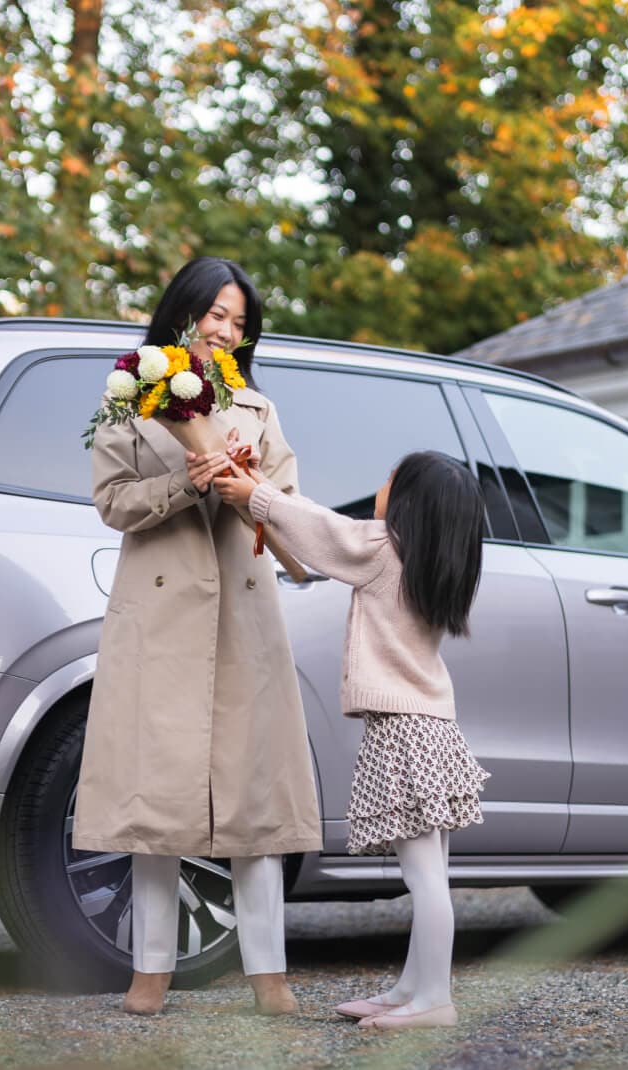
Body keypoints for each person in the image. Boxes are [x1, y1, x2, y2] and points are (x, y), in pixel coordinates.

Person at [72, 257, 322, 1016]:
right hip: (158, 620)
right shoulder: (127, 400)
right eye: (215, 313)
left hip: (244, 620)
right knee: (156, 804)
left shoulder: (258, 408)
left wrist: (247, 487)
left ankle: (269, 973)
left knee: (253, 803)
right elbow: (112, 502)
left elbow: (291, 515)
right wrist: (189, 478)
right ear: (182, 314)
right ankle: (151, 971)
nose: (226, 330)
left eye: (239, 321)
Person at [215, 450, 490, 1030]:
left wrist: (257, 497)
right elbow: (323, 522)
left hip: (405, 729)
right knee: (431, 870)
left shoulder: (383, 550)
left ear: (412, 503)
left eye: (391, 478)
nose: (381, 483)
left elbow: (323, 532)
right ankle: (412, 989)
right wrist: (266, 486)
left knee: (424, 878)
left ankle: (434, 1000)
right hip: (432, 725)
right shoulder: (430, 559)